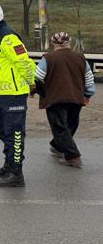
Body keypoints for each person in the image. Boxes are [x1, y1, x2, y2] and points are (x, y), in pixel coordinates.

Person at [0, 5, 35, 188]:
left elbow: (24, 63)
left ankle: (16, 173)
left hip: (14, 93)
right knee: (3, 131)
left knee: (15, 133)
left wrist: (33, 84)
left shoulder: (8, 37)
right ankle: (8, 165)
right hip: (1, 93)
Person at [34, 32, 96, 168]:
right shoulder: (80, 58)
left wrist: (39, 92)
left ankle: (73, 157)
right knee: (70, 125)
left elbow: (37, 77)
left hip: (55, 98)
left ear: (53, 44)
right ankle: (57, 146)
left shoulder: (48, 58)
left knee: (60, 128)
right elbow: (89, 78)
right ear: (70, 43)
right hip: (76, 98)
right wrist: (88, 95)